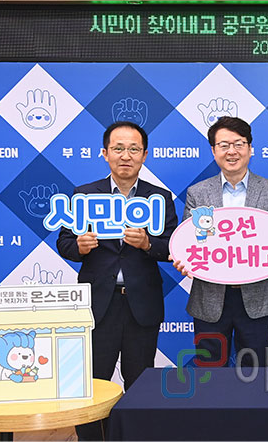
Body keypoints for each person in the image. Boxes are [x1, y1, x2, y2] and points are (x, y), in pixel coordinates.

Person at [57, 121, 178, 441]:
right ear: (105, 153)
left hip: (142, 304)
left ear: (145, 155)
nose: (126, 155)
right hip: (98, 305)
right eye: (119, 148)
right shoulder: (84, 195)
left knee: (140, 384)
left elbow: (173, 247)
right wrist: (79, 247)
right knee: (92, 384)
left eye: (134, 149)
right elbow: (64, 243)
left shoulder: (159, 197)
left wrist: (148, 244)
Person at [174, 116, 268, 367]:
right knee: (209, 372)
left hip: (258, 297)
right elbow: (189, 243)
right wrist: (183, 259)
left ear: (250, 148)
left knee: (255, 373)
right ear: (213, 151)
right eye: (224, 145)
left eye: (239, 144)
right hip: (209, 298)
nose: (232, 151)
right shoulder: (198, 193)